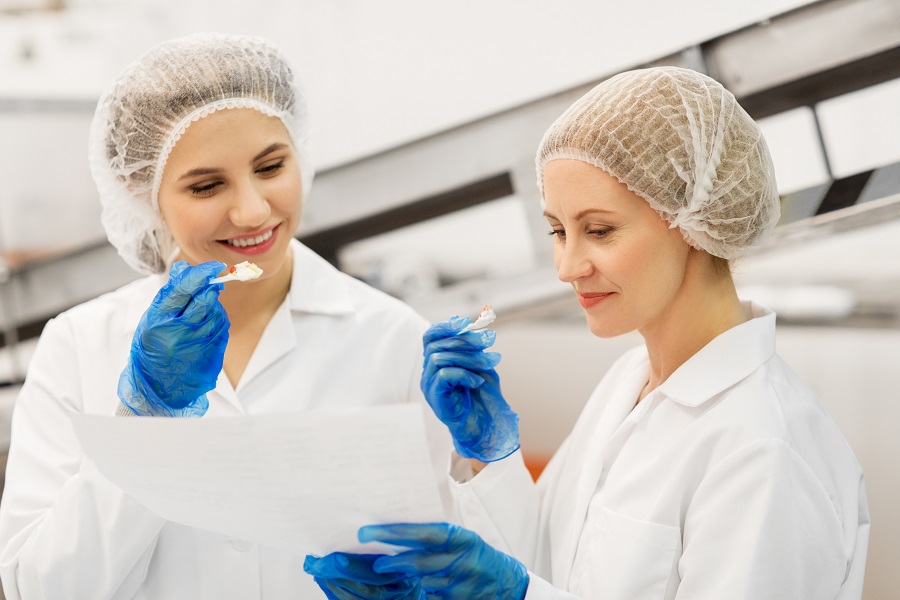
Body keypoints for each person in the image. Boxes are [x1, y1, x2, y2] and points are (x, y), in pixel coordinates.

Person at [304, 67, 870, 599]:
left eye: (598, 230)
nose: (567, 266)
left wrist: (514, 593)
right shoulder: (628, 384)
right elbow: (550, 561)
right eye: (557, 231)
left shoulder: (763, 450)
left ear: (695, 219)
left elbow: (530, 587)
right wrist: (489, 457)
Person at [0, 32, 453, 599]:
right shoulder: (79, 345)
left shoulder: (392, 338)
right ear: (141, 190)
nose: (253, 210)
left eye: (270, 167)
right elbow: (39, 588)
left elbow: (448, 559)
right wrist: (146, 420)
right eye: (207, 185)